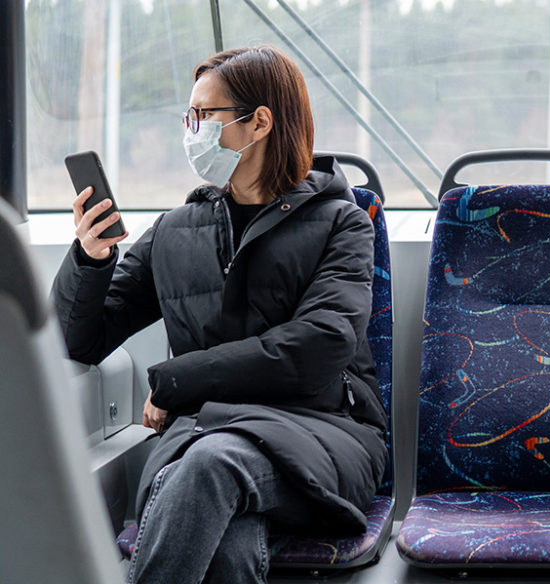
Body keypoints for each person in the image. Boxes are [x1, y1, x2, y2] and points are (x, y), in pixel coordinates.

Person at [51, 45, 386, 584]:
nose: (193, 129)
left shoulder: (342, 223)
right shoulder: (175, 229)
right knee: (227, 546)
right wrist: (90, 261)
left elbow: (320, 344)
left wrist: (176, 381)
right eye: (190, 115)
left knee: (213, 464)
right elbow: (77, 340)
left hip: (323, 433)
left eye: (206, 115)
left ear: (259, 123)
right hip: (203, 436)